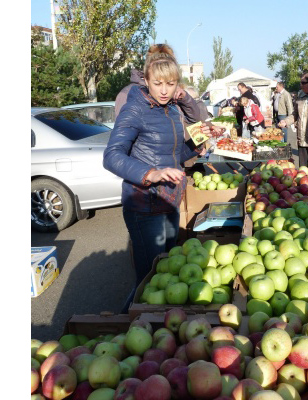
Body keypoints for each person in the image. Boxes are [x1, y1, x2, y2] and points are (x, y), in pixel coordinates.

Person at [103, 44, 207, 310]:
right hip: (144, 205)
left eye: (170, 84)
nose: (164, 90)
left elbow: (172, 154)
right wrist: (152, 173)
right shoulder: (134, 109)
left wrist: (196, 146)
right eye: (158, 83)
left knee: (167, 271)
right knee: (149, 279)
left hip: (169, 200)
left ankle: (155, 320)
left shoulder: (171, 110)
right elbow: (112, 156)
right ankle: (126, 322)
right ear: (147, 81)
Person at [278, 73, 308, 172]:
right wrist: (286, 121)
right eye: (300, 83)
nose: (301, 85)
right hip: (302, 138)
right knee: (303, 169)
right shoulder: (300, 96)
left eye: (303, 83)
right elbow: (295, 114)